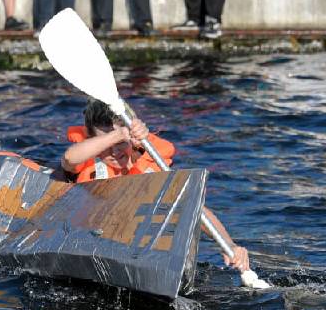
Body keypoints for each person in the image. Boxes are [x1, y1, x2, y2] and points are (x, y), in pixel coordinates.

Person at [61, 99, 252, 272]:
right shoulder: (85, 159)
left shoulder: (150, 160)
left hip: (135, 242)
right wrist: (118, 135)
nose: (114, 151)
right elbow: (69, 158)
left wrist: (230, 245)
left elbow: (191, 205)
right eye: (106, 143)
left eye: (121, 144)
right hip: (93, 236)